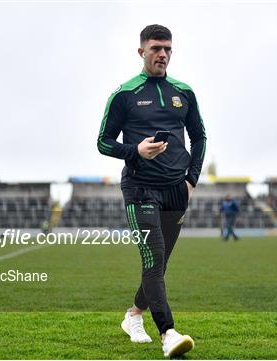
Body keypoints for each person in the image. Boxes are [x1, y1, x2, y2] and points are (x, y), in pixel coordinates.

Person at [97, 24, 206, 357]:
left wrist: (191, 180)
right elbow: (103, 142)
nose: (163, 54)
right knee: (154, 257)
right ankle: (168, 332)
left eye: (168, 49)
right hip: (140, 188)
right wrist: (135, 151)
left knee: (158, 264)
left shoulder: (183, 92)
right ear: (141, 51)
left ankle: (133, 315)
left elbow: (199, 137)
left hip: (176, 189)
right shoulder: (124, 94)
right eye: (157, 48)